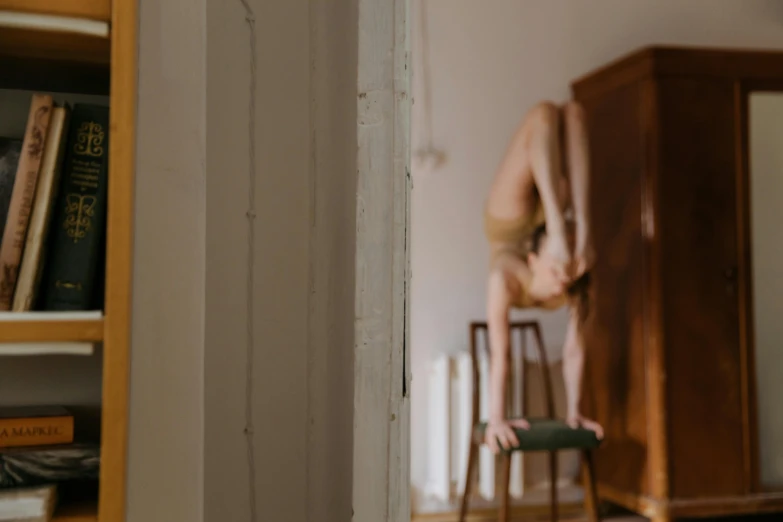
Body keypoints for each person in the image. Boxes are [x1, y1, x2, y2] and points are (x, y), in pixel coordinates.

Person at [482, 100, 603, 454]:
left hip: (508, 228)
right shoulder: (511, 276)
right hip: (543, 229)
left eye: (560, 269)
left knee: (571, 113)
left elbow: (575, 350)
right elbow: (500, 354)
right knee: (548, 114)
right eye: (557, 268)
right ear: (533, 261)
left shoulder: (560, 278)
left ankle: (576, 227)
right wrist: (496, 418)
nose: (563, 278)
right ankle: (565, 225)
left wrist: (574, 412)